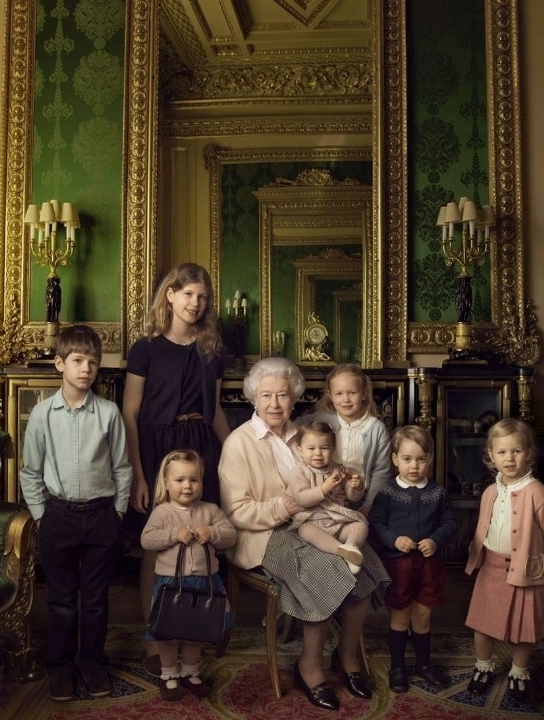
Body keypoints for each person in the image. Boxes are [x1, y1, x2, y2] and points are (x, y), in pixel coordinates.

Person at [219, 357, 390, 710]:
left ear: (294, 397)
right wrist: (289, 507)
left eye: (283, 395)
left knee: (366, 563)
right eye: (266, 395)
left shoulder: (307, 434)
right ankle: (308, 665)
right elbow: (238, 512)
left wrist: (347, 489)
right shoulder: (239, 443)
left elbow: (330, 488)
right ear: (253, 398)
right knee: (324, 568)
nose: (275, 404)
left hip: (317, 522)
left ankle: (347, 657)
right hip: (265, 533)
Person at [122, 262, 232, 675]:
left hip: (200, 446)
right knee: (159, 544)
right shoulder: (146, 348)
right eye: (187, 293)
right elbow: (130, 412)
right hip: (156, 449)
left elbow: (217, 410)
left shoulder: (211, 350)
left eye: (202, 296)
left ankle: (198, 629)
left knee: (203, 539)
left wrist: (233, 451)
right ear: (170, 294)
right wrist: (137, 472)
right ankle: (157, 639)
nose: (195, 303)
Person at [19, 324, 133, 702]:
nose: (86, 369)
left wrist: (117, 514)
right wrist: (40, 516)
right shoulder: (41, 415)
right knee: (62, 601)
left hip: (102, 516)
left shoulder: (109, 413)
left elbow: (121, 467)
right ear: (59, 364)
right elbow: (30, 471)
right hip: (59, 517)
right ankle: (61, 669)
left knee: (96, 601)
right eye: (78, 361)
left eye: (93, 363)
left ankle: (93, 664)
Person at [464, 418, 544, 704]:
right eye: (502, 452)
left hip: (525, 571)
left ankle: (519, 672)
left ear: (529, 454)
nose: (509, 458)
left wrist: (543, 565)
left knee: (524, 629)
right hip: (492, 567)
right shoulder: (490, 492)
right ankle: (483, 667)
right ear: (491, 455)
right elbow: (483, 527)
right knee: (482, 625)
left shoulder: (538, 492)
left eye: (516, 451)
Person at [140, 449, 237, 701]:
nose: (187, 486)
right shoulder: (162, 513)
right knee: (169, 633)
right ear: (166, 482)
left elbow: (230, 535)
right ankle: (169, 674)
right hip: (170, 584)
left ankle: (190, 672)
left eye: (194, 479)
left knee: (197, 631)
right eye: (180, 480)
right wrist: (174, 534)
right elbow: (147, 540)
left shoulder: (211, 510)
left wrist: (212, 533)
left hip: (205, 583)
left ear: (202, 481)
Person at [369, 425, 456, 693]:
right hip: (399, 566)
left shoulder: (437, 492)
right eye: (407, 459)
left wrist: (435, 540)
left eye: (420, 459)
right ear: (395, 459)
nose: (414, 466)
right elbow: (375, 523)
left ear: (429, 458)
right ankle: (397, 666)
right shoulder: (387, 492)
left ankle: (423, 665)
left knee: (423, 616)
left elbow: (450, 522)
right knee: (400, 616)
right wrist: (394, 539)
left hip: (429, 566)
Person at [285, 421, 369, 574]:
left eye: (324, 448)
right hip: (312, 519)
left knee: (360, 526)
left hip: (337, 521)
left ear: (333, 449)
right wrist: (323, 489)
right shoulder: (299, 472)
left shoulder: (339, 469)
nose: (318, 453)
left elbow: (352, 498)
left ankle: (352, 547)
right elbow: (301, 499)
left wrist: (356, 487)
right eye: (311, 448)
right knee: (305, 530)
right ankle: (342, 551)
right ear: (300, 451)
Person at [310, 363, 393, 512]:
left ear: (364, 393)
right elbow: (295, 430)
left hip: (361, 497)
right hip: (324, 495)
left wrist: (368, 506)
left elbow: (381, 473)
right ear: (330, 395)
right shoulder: (322, 420)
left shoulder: (376, 429)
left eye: (352, 393)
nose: (346, 399)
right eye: (339, 393)